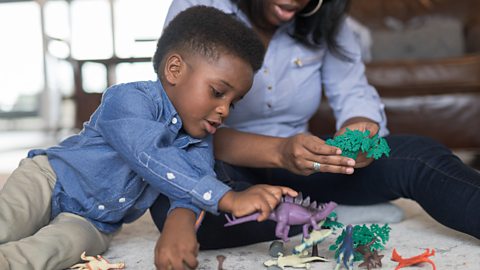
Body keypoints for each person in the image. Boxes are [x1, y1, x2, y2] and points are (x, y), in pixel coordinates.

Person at [150, 0, 480, 250]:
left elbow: (354, 94)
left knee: (420, 158)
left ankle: (314, 210)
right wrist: (278, 151)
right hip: (221, 163)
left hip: (303, 162)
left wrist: (358, 131)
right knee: (180, 213)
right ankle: (326, 215)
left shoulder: (327, 21)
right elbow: (178, 123)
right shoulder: (200, 9)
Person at [0, 6, 299, 270]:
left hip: (95, 223)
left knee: (48, 253)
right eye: (218, 92)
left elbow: (192, 182)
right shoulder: (128, 100)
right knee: (7, 220)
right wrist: (227, 197)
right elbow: (150, 155)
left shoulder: (200, 137)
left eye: (233, 102)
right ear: (174, 70)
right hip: (50, 180)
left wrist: (179, 223)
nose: (224, 110)